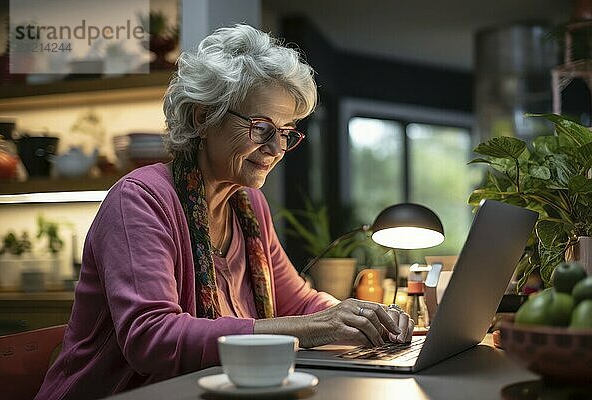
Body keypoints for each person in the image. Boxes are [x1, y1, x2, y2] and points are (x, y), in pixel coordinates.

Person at [35, 24, 414, 399]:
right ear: (203, 117)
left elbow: (298, 303)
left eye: (285, 131)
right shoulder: (139, 199)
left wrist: (363, 315)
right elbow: (152, 339)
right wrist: (317, 326)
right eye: (262, 127)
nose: (276, 148)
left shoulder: (248, 206)